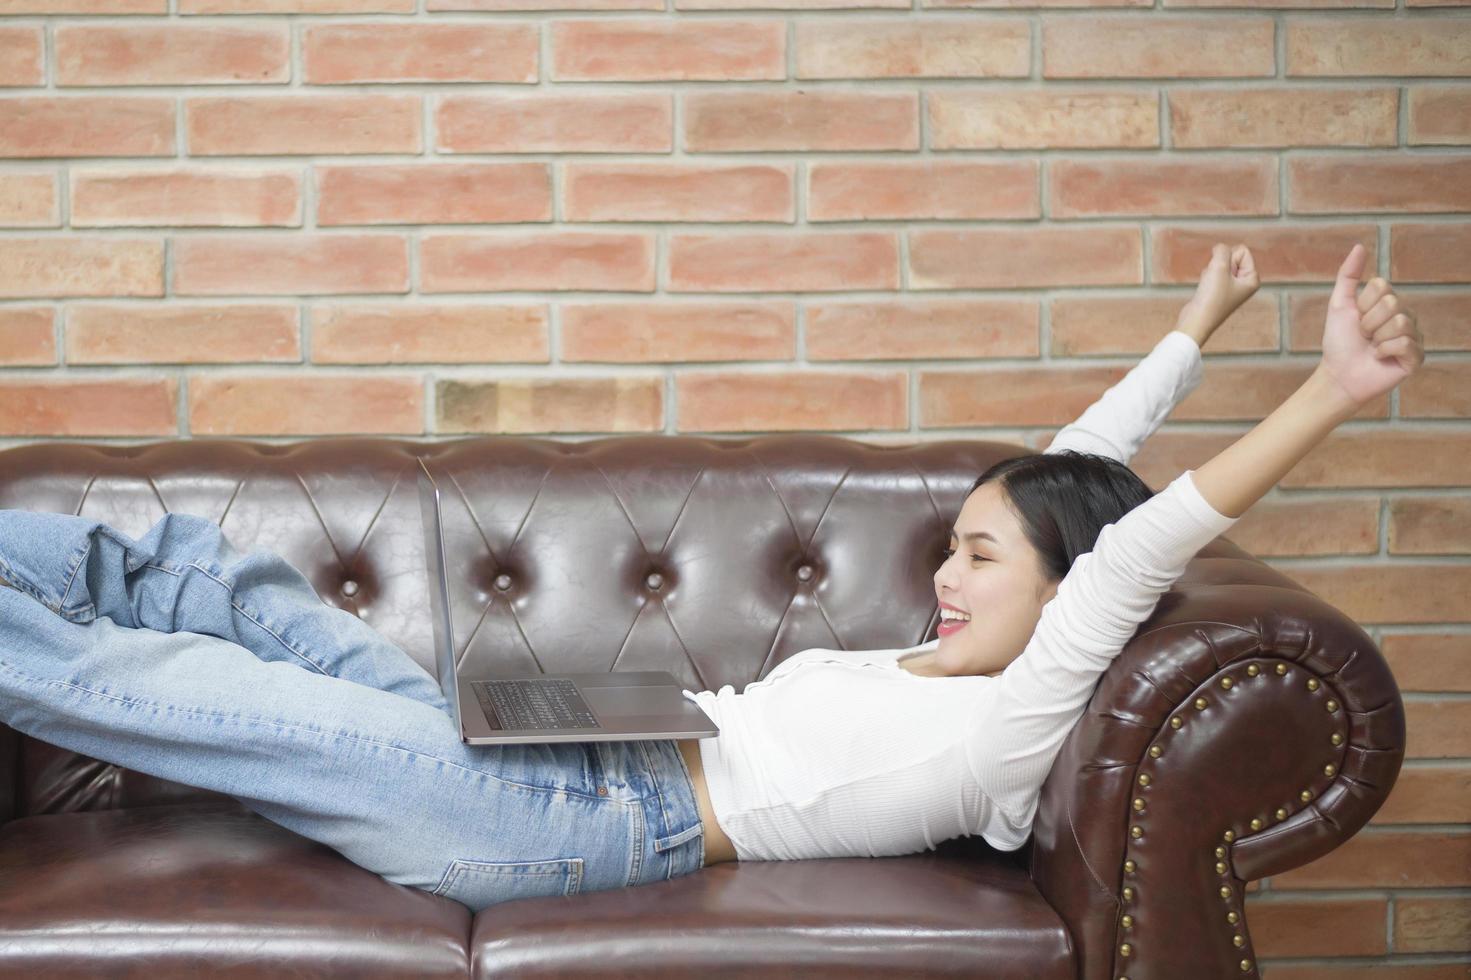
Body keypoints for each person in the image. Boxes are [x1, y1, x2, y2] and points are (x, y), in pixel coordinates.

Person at [0, 243, 1423, 910]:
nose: (944, 570)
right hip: (565, 743)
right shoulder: (961, 646)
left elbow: (1132, 538)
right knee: (240, 593)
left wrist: (1327, 393)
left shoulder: (1018, 722)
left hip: (559, 823)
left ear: (1065, 592)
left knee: (194, 686)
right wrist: (1193, 326)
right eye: (953, 544)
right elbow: (1075, 470)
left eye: (979, 557)